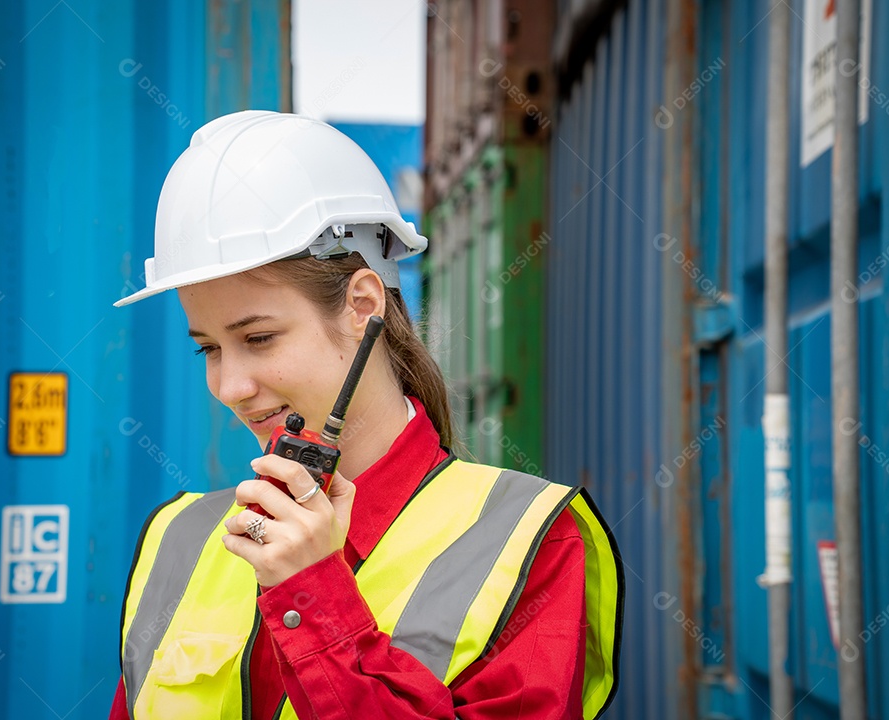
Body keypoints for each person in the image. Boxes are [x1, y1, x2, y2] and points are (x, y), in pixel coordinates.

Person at [109, 111, 623, 719]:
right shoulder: (178, 540)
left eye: (260, 338)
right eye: (209, 348)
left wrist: (314, 596)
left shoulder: (530, 543)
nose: (229, 385)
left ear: (362, 305)